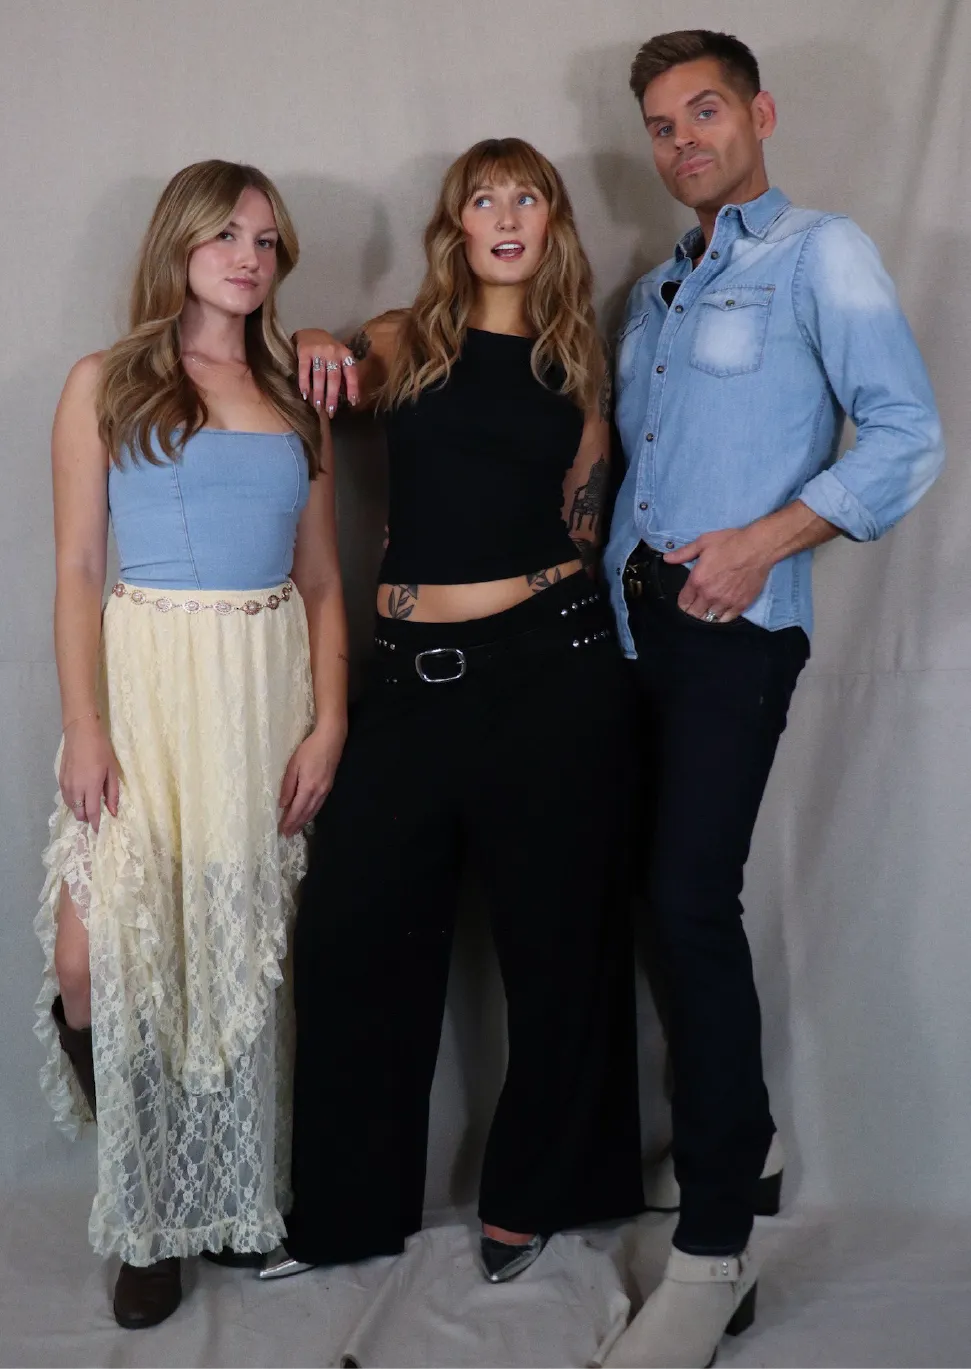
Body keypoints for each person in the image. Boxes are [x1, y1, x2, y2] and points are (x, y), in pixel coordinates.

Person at [598, 30, 944, 1369]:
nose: (683, 138)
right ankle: (746, 1136)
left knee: (686, 897)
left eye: (703, 111)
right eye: (660, 123)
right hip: (629, 633)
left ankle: (710, 1253)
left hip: (735, 635)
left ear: (757, 113)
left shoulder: (820, 254)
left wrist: (756, 543)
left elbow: (904, 433)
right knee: (644, 891)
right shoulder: (651, 293)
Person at [257, 137, 645, 1286]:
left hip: (552, 664)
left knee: (559, 939)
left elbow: (582, 518)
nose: (507, 214)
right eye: (485, 197)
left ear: (553, 220)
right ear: (458, 224)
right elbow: (325, 372)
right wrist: (319, 342)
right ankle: (340, 1213)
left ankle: (536, 1192)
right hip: (414, 678)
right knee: (353, 935)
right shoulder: (405, 332)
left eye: (527, 195)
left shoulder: (579, 364)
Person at [35, 159, 348, 1329]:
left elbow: (321, 580)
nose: (248, 256)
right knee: (91, 961)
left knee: (221, 960)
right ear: (176, 244)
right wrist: (84, 722)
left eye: (266, 240)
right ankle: (144, 1171)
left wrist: (328, 720)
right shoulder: (104, 383)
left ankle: (182, 1217)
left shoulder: (294, 395)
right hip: (147, 684)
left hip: (257, 689)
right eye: (225, 234)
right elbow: (75, 568)